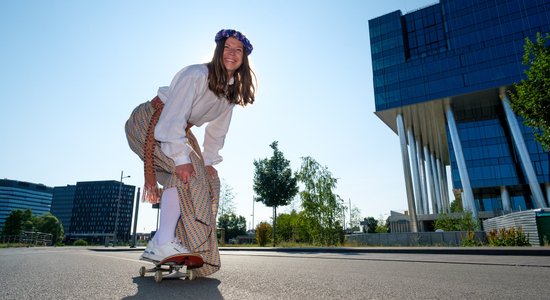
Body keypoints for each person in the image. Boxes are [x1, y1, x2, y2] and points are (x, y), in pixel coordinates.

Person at [125, 29, 255, 277]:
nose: (232, 54)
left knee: (206, 180)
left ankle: (174, 243)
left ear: (244, 58)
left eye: (238, 50)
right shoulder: (196, 75)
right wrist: (182, 158)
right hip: (150, 120)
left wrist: (207, 161)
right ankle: (162, 242)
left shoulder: (229, 94)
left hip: (176, 128)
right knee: (187, 171)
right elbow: (171, 118)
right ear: (218, 50)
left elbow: (217, 132)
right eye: (228, 47)